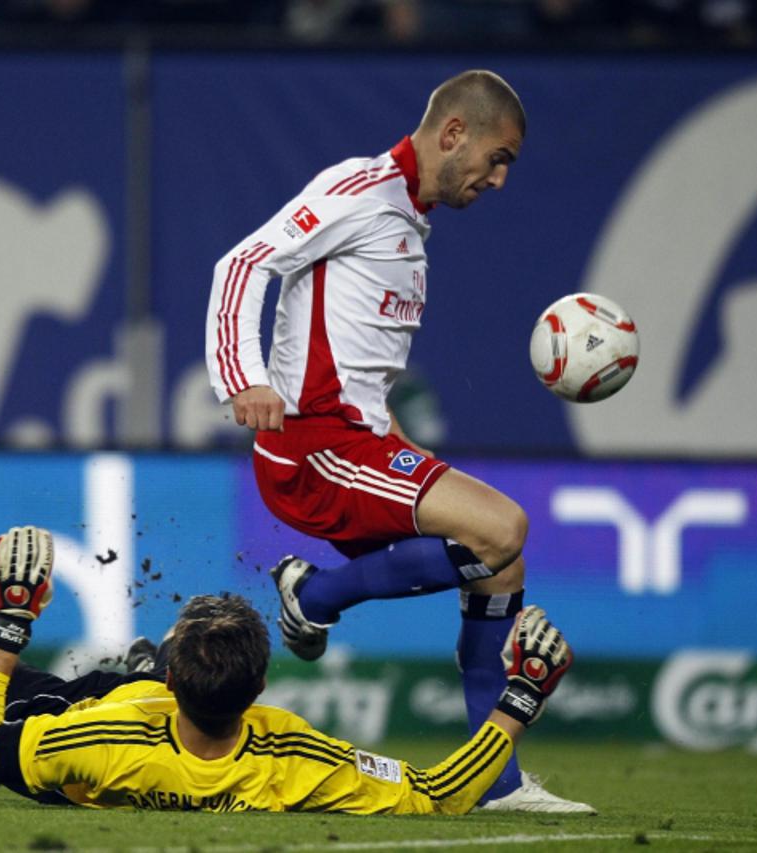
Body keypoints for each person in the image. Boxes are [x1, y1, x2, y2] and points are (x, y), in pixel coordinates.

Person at [204, 69, 590, 812]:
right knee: (503, 527)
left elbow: (356, 368)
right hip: (313, 450)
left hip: (361, 442)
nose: (499, 179)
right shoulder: (361, 190)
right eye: (498, 157)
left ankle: (496, 782)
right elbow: (244, 263)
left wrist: (394, 435)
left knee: (500, 569)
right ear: (454, 134)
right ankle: (311, 594)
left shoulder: (408, 226)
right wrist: (243, 377)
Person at [0, 525, 578, 814]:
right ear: (260, 696)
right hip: (154, 718)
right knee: (122, 677)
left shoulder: (93, 735)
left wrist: (8, 625)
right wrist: (517, 699)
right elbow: (436, 790)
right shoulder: (291, 757)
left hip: (97, 733)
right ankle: (138, 662)